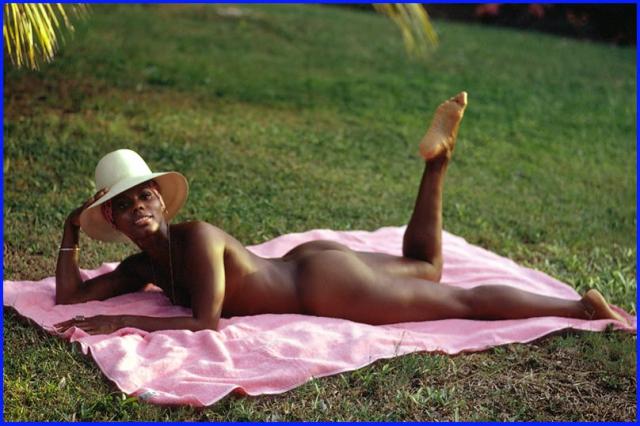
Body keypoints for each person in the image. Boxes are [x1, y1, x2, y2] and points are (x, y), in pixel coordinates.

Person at [54, 92, 628, 335]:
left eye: (143, 196)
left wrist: (121, 322)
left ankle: (579, 308)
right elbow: (71, 297)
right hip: (310, 263)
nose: (137, 208)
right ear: (116, 223)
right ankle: (437, 162)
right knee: (426, 267)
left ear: (161, 198)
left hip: (324, 287)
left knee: (461, 302)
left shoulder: (196, 237)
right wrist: (70, 229)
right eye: (122, 205)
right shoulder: (142, 269)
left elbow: (208, 323)